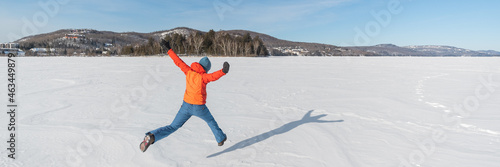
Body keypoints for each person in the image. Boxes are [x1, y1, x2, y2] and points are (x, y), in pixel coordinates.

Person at [140, 40, 230, 152]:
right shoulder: (203, 77)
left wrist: (168, 49)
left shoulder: (188, 72)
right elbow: (213, 76)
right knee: (211, 121)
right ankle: (220, 138)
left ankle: (153, 136)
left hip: (185, 106)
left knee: (172, 126)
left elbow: (178, 61)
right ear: (205, 69)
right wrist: (223, 71)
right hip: (199, 107)